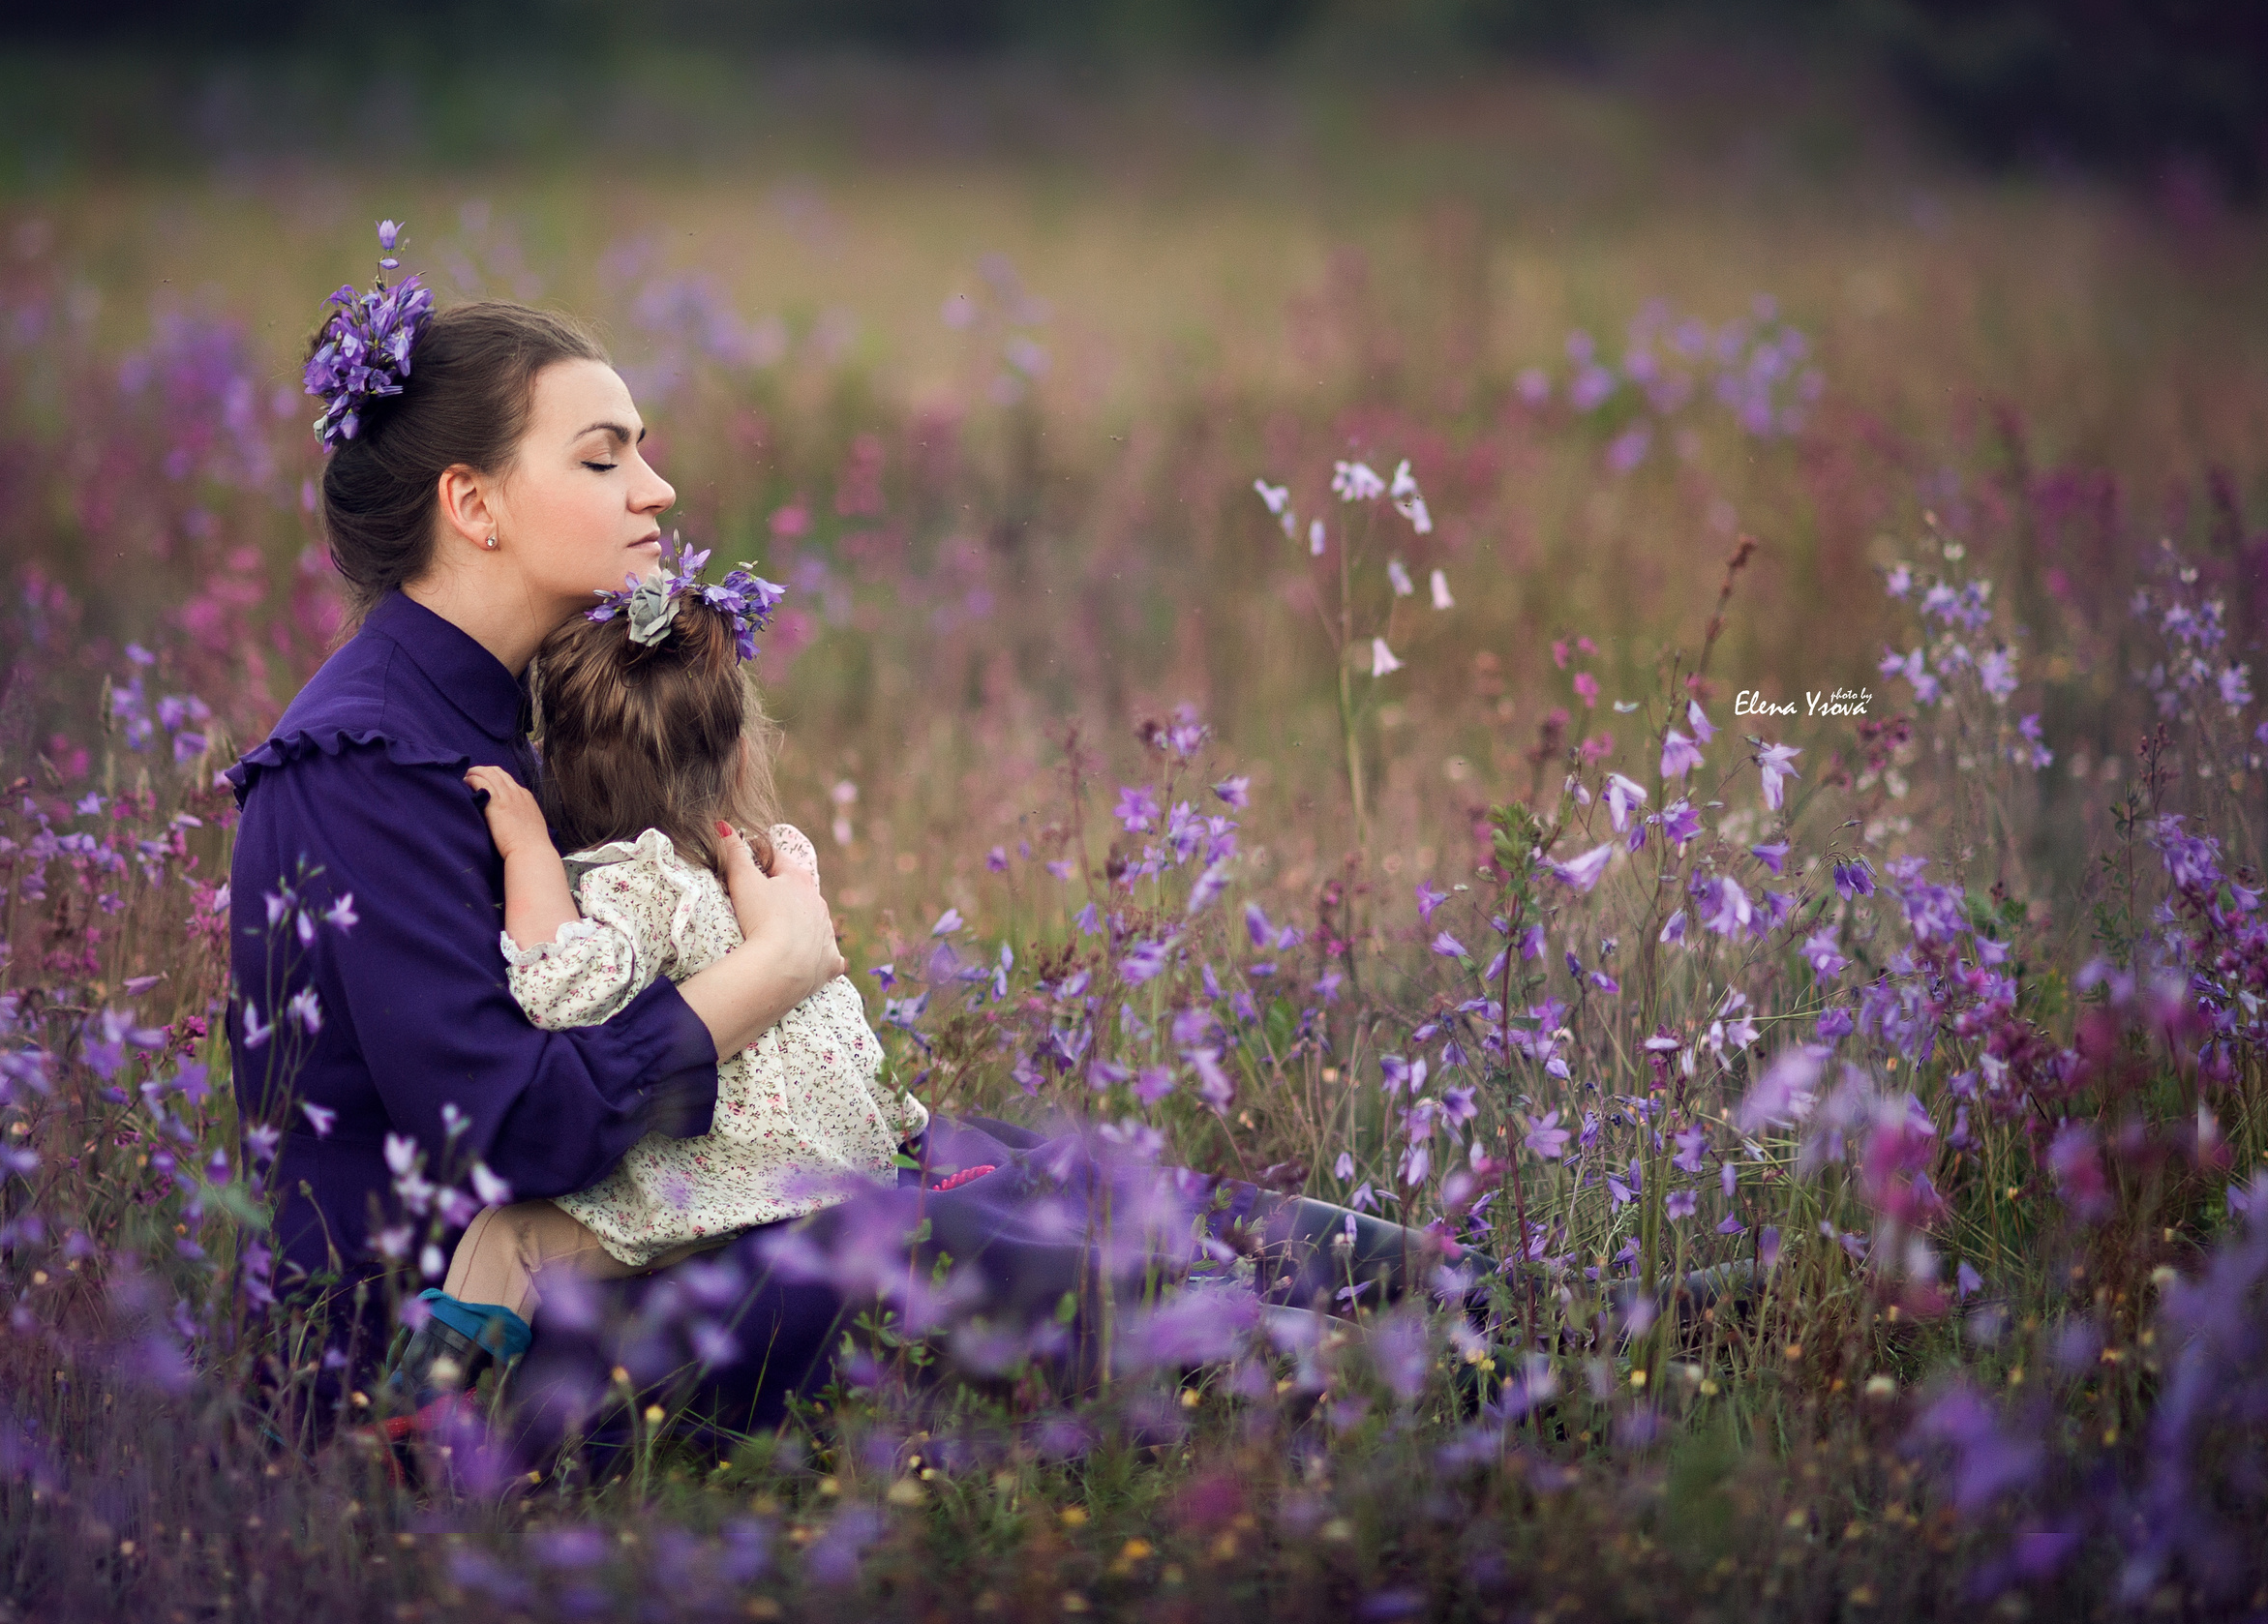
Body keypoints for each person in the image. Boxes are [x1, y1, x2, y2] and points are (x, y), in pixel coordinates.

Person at [227, 224, 1428, 1458]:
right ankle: (1423, 1383)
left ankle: (1542, 1308)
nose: (657, 488)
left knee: (1055, 1180)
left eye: (641, 450)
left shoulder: (510, 701)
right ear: (471, 502)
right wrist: (771, 970)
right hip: (471, 1352)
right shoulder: (356, 769)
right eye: (604, 459)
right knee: (932, 1242)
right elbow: (515, 1129)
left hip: (650, 1224)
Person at [380, 569, 930, 1418]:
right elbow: (837, 1019)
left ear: (555, 772)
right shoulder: (778, 865)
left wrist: (529, 853)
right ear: (743, 752)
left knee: (510, 1237)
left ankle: (428, 1407)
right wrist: (900, 1131)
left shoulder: (636, 885)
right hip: (839, 1163)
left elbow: (563, 991)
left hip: (718, 1192)